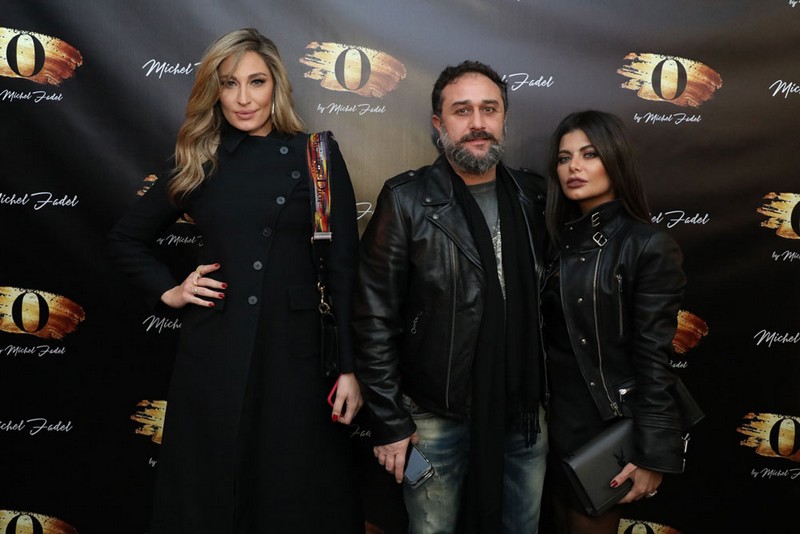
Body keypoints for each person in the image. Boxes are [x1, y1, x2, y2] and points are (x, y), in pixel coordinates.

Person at [107, 28, 364, 533]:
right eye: (230, 83)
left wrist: (350, 369)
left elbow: (343, 270)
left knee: (292, 493)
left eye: (256, 82)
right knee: (212, 494)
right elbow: (126, 239)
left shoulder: (317, 156)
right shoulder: (199, 158)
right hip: (216, 352)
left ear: (277, 86)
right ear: (215, 91)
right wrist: (171, 290)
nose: (244, 98)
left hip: (295, 356)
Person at [352, 60, 548, 533]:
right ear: (439, 124)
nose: (478, 123)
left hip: (523, 412)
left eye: (489, 109)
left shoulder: (534, 196)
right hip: (432, 416)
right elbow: (373, 317)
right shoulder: (407, 200)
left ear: (504, 119)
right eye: (462, 111)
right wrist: (389, 420)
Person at [541, 110, 697, 533]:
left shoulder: (646, 245)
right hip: (548, 426)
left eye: (589, 154)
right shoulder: (554, 244)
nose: (574, 167)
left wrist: (652, 454)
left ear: (615, 159)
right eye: (564, 158)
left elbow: (653, 359)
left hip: (604, 425)